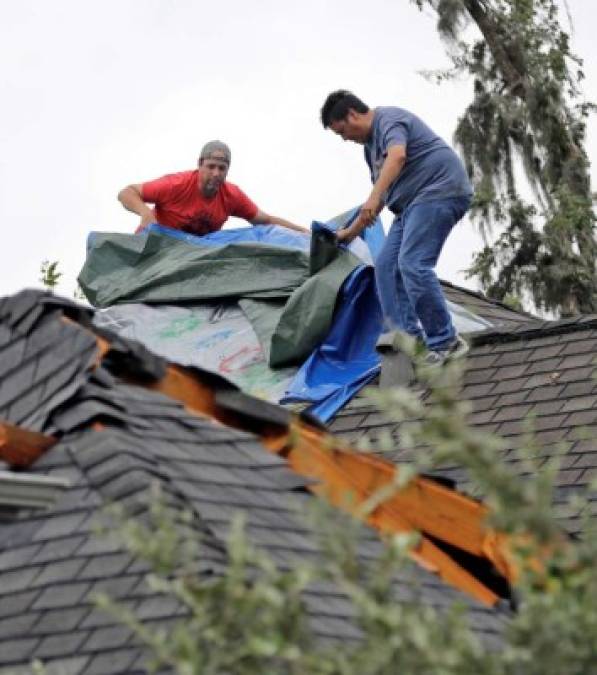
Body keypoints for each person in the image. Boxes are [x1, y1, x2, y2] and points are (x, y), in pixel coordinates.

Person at [320, 90, 473, 365]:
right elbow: (382, 193)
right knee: (386, 267)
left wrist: (373, 197)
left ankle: (446, 341)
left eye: (342, 131)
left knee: (412, 264)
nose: (345, 139)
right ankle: (410, 343)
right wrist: (350, 232)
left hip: (439, 190)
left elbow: (398, 156)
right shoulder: (370, 149)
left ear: (353, 114)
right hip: (408, 207)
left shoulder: (389, 119)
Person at [118, 140, 307, 236]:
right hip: (153, 249)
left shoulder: (232, 195)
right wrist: (145, 213)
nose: (216, 173)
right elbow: (127, 192)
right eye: (211, 167)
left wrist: (306, 233)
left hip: (190, 257)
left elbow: (266, 220)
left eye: (222, 168)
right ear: (200, 164)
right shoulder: (176, 185)